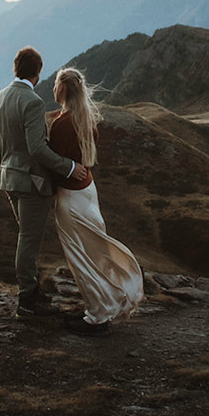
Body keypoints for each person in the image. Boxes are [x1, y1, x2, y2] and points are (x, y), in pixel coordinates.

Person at [0, 46, 86, 319]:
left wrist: (9, 168)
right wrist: (68, 167)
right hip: (32, 184)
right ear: (38, 74)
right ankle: (28, 300)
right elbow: (37, 149)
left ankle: (32, 293)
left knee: (26, 239)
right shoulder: (32, 102)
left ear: (15, 68)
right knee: (29, 240)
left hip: (10, 179)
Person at [46, 66, 144, 336]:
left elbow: (53, 163)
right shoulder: (85, 117)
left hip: (70, 196)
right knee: (93, 252)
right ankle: (103, 305)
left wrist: (48, 190)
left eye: (55, 84)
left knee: (80, 257)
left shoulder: (62, 124)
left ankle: (97, 316)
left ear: (63, 89)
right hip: (88, 190)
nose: (53, 88)